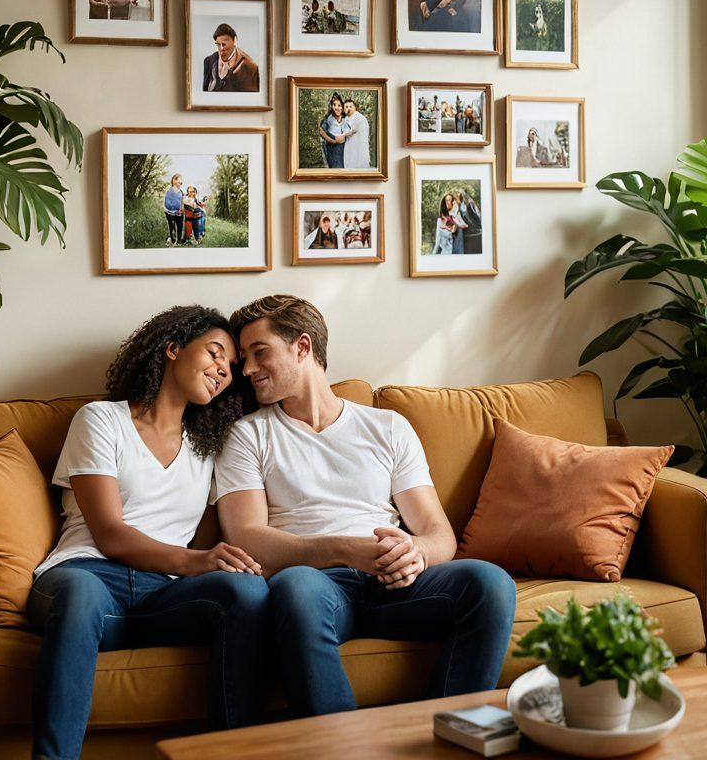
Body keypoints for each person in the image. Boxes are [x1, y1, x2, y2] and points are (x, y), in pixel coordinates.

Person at [214, 296, 516, 718]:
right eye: (243, 358)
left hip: (394, 584)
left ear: (302, 347)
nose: (246, 370)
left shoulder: (387, 427)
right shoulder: (248, 436)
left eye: (259, 353)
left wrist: (417, 553)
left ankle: (446, 733)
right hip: (317, 587)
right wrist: (343, 550)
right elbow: (246, 538)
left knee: (490, 584)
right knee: (295, 589)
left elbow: (438, 533)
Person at [28, 307, 272, 760]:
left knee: (249, 593)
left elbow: (204, 542)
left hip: (163, 597)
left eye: (231, 367)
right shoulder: (100, 420)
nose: (224, 370)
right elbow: (111, 534)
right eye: (215, 353)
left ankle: (236, 753)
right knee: (81, 595)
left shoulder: (210, 447)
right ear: (173, 347)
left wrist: (214, 564)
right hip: (87, 577)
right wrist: (196, 562)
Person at [202, 23, 260, 93]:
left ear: (235, 41)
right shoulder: (209, 61)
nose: (221, 48)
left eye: (224, 44)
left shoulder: (251, 70)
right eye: (218, 44)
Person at [318, 93, 350, 168]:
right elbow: (322, 132)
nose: (336, 108)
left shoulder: (346, 119)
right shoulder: (328, 119)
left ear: (342, 107)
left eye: (339, 105)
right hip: (333, 149)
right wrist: (334, 141)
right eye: (334, 105)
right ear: (331, 106)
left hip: (346, 149)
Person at [341, 98, 370, 169]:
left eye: (351, 106)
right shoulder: (346, 118)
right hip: (349, 142)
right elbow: (344, 131)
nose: (348, 108)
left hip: (358, 142)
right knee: (348, 158)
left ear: (355, 108)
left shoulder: (359, 117)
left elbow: (354, 130)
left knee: (357, 159)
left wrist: (347, 133)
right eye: (346, 107)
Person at [164, 173, 185, 247]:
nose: (181, 184)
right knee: (172, 227)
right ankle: (173, 241)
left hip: (179, 213)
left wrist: (181, 209)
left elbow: (182, 202)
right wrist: (175, 207)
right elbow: (167, 204)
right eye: (180, 182)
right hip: (170, 213)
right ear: (174, 181)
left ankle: (178, 240)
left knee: (180, 226)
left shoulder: (181, 192)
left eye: (181, 183)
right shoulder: (169, 192)